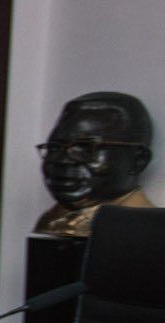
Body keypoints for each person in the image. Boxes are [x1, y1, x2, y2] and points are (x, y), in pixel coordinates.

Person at [34, 92, 155, 236]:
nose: (63, 160)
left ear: (138, 161)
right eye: (55, 147)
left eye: (86, 148)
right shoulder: (53, 221)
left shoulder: (147, 231)